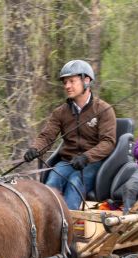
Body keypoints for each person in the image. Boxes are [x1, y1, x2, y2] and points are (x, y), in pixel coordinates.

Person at [23, 59, 117, 210]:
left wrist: (86, 157)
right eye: (65, 82)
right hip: (67, 162)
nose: (67, 86)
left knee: (75, 182)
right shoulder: (60, 112)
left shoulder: (103, 110)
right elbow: (47, 136)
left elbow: (108, 142)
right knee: (51, 185)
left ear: (86, 80)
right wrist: (35, 149)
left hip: (93, 163)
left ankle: (68, 222)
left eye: (72, 81)